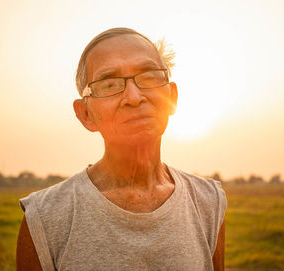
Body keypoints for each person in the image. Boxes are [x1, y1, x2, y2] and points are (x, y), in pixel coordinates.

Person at [16, 27, 227, 271]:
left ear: (172, 97)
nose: (134, 97)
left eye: (149, 76)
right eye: (110, 84)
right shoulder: (45, 217)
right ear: (85, 114)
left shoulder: (208, 201)